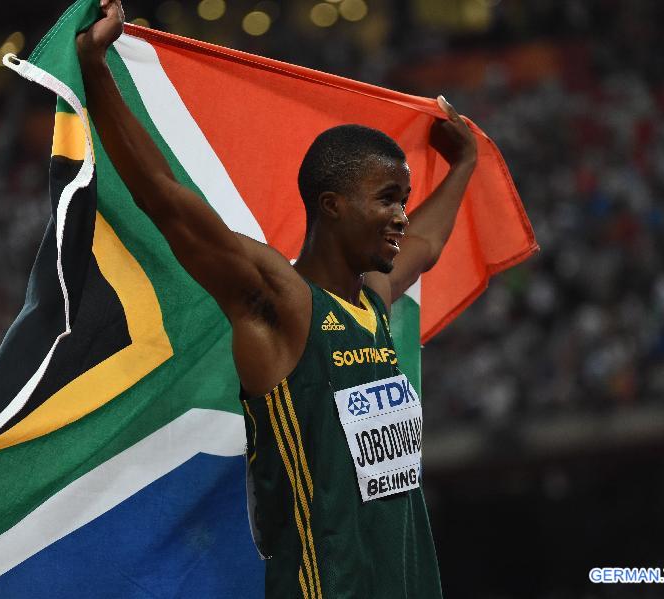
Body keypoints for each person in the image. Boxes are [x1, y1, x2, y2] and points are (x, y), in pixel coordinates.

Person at [77, 1, 477, 596]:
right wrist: (94, 65)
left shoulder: (373, 300)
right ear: (333, 205)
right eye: (389, 198)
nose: (401, 216)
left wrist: (464, 163)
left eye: (405, 200)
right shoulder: (281, 303)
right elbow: (165, 199)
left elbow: (429, 241)